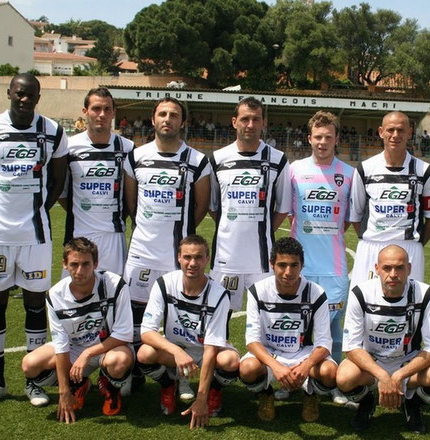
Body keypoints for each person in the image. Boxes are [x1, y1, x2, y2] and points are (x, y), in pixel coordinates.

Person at [0, 73, 68, 408]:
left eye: (32, 95)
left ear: (38, 98)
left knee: (35, 304)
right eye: (20, 94)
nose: (25, 100)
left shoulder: (53, 132)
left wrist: (36, 212)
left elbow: (57, 182)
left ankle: (33, 382)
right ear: (10, 92)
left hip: (36, 235)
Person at [123, 97, 210, 397]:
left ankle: (180, 376)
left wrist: (181, 232)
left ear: (182, 122)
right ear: (153, 118)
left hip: (177, 254)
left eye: (174, 115)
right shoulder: (135, 156)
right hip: (142, 251)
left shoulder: (197, 160)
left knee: (180, 319)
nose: (168, 119)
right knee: (136, 316)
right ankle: (134, 373)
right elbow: (131, 203)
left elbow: (200, 206)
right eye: (163, 114)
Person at [337, 245, 430, 433]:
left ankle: (412, 404)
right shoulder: (361, 293)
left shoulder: (425, 294)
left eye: (399, 268)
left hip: (408, 363)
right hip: (372, 363)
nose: (393, 274)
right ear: (377, 268)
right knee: (344, 377)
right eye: (387, 268)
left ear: (409, 269)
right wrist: (382, 375)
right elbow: (351, 347)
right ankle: (368, 401)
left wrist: (398, 376)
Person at [20, 238, 133, 422]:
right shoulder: (56, 295)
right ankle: (78, 384)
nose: (80, 271)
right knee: (30, 365)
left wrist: (88, 353)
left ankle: (110, 388)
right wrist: (64, 391)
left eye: (86, 264)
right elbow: (61, 344)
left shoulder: (115, 284)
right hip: (74, 349)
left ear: (95, 264)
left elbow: (124, 334)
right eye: (74, 264)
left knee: (120, 360)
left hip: (107, 348)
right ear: (65, 264)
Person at [137, 235, 239, 428]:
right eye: (187, 257)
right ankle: (169, 385)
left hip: (205, 351)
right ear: (178, 258)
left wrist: (201, 398)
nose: (192, 263)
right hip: (176, 350)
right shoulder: (164, 284)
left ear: (207, 259)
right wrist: (177, 352)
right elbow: (146, 332)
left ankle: (213, 392)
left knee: (230, 361)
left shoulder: (219, 295)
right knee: (144, 353)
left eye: (199, 257)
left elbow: (211, 349)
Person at [288, 110, 353, 405]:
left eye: (328, 137)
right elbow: (287, 212)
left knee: (333, 331)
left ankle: (333, 383)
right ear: (309, 138)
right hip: (300, 268)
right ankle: (293, 380)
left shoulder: (350, 174)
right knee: (295, 326)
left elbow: (349, 220)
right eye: (318, 137)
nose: (323, 142)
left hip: (334, 269)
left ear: (336, 139)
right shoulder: (294, 170)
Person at [239, 237, 337, 422]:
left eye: (294, 265)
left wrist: (306, 365)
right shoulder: (257, 291)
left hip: (303, 353)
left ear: (302, 265)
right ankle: (266, 394)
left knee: (330, 373)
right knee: (247, 369)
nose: (288, 272)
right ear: (272, 264)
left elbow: (324, 342)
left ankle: (310, 396)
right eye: (282, 265)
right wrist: (275, 366)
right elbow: (252, 340)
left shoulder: (316, 293)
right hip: (270, 353)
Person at [208, 97, 291, 311]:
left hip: (261, 260)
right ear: (234, 121)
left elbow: (282, 207)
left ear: (264, 123)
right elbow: (213, 205)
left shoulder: (278, 159)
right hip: (226, 258)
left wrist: (261, 226)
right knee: (220, 316)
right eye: (245, 119)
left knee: (267, 318)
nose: (250, 125)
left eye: (256, 119)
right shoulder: (217, 159)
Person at [349, 111, 430, 289]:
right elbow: (356, 215)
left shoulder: (426, 172)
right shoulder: (365, 169)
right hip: (371, 247)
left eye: (401, 130)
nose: (395, 135)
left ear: (410, 133)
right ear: (381, 132)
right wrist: (375, 236)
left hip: (410, 248)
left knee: (408, 307)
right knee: (364, 304)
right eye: (390, 130)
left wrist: (415, 242)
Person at [60, 88, 134, 276]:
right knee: (74, 294)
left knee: (111, 295)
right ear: (85, 112)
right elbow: (62, 192)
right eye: (96, 108)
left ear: (113, 113)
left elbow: (131, 194)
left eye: (107, 109)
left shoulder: (127, 148)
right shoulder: (69, 147)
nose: (102, 114)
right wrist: (81, 210)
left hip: (113, 236)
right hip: (78, 233)